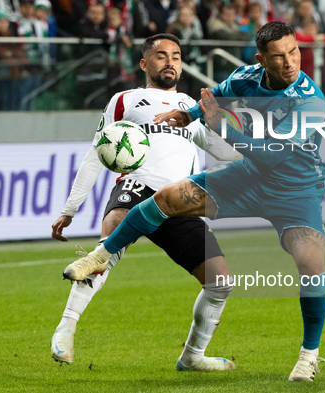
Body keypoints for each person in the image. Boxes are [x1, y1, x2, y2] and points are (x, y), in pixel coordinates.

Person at [64, 22, 325, 383]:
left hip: (296, 189)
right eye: (279, 56)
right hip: (251, 179)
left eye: (294, 52)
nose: (290, 62)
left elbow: (271, 155)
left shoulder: (310, 101)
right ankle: (101, 254)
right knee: (168, 197)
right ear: (261, 59)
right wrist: (187, 114)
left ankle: (308, 356)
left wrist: (221, 125)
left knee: (311, 261)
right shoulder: (248, 76)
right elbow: (220, 92)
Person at [51, 33, 242, 371]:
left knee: (221, 282)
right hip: (137, 185)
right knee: (109, 243)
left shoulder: (189, 107)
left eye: (177, 56)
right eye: (161, 55)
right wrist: (70, 209)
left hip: (181, 199)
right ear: (144, 63)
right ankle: (66, 326)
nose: (170, 61)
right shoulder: (124, 100)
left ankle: (192, 356)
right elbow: (97, 154)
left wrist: (215, 123)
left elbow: (228, 154)